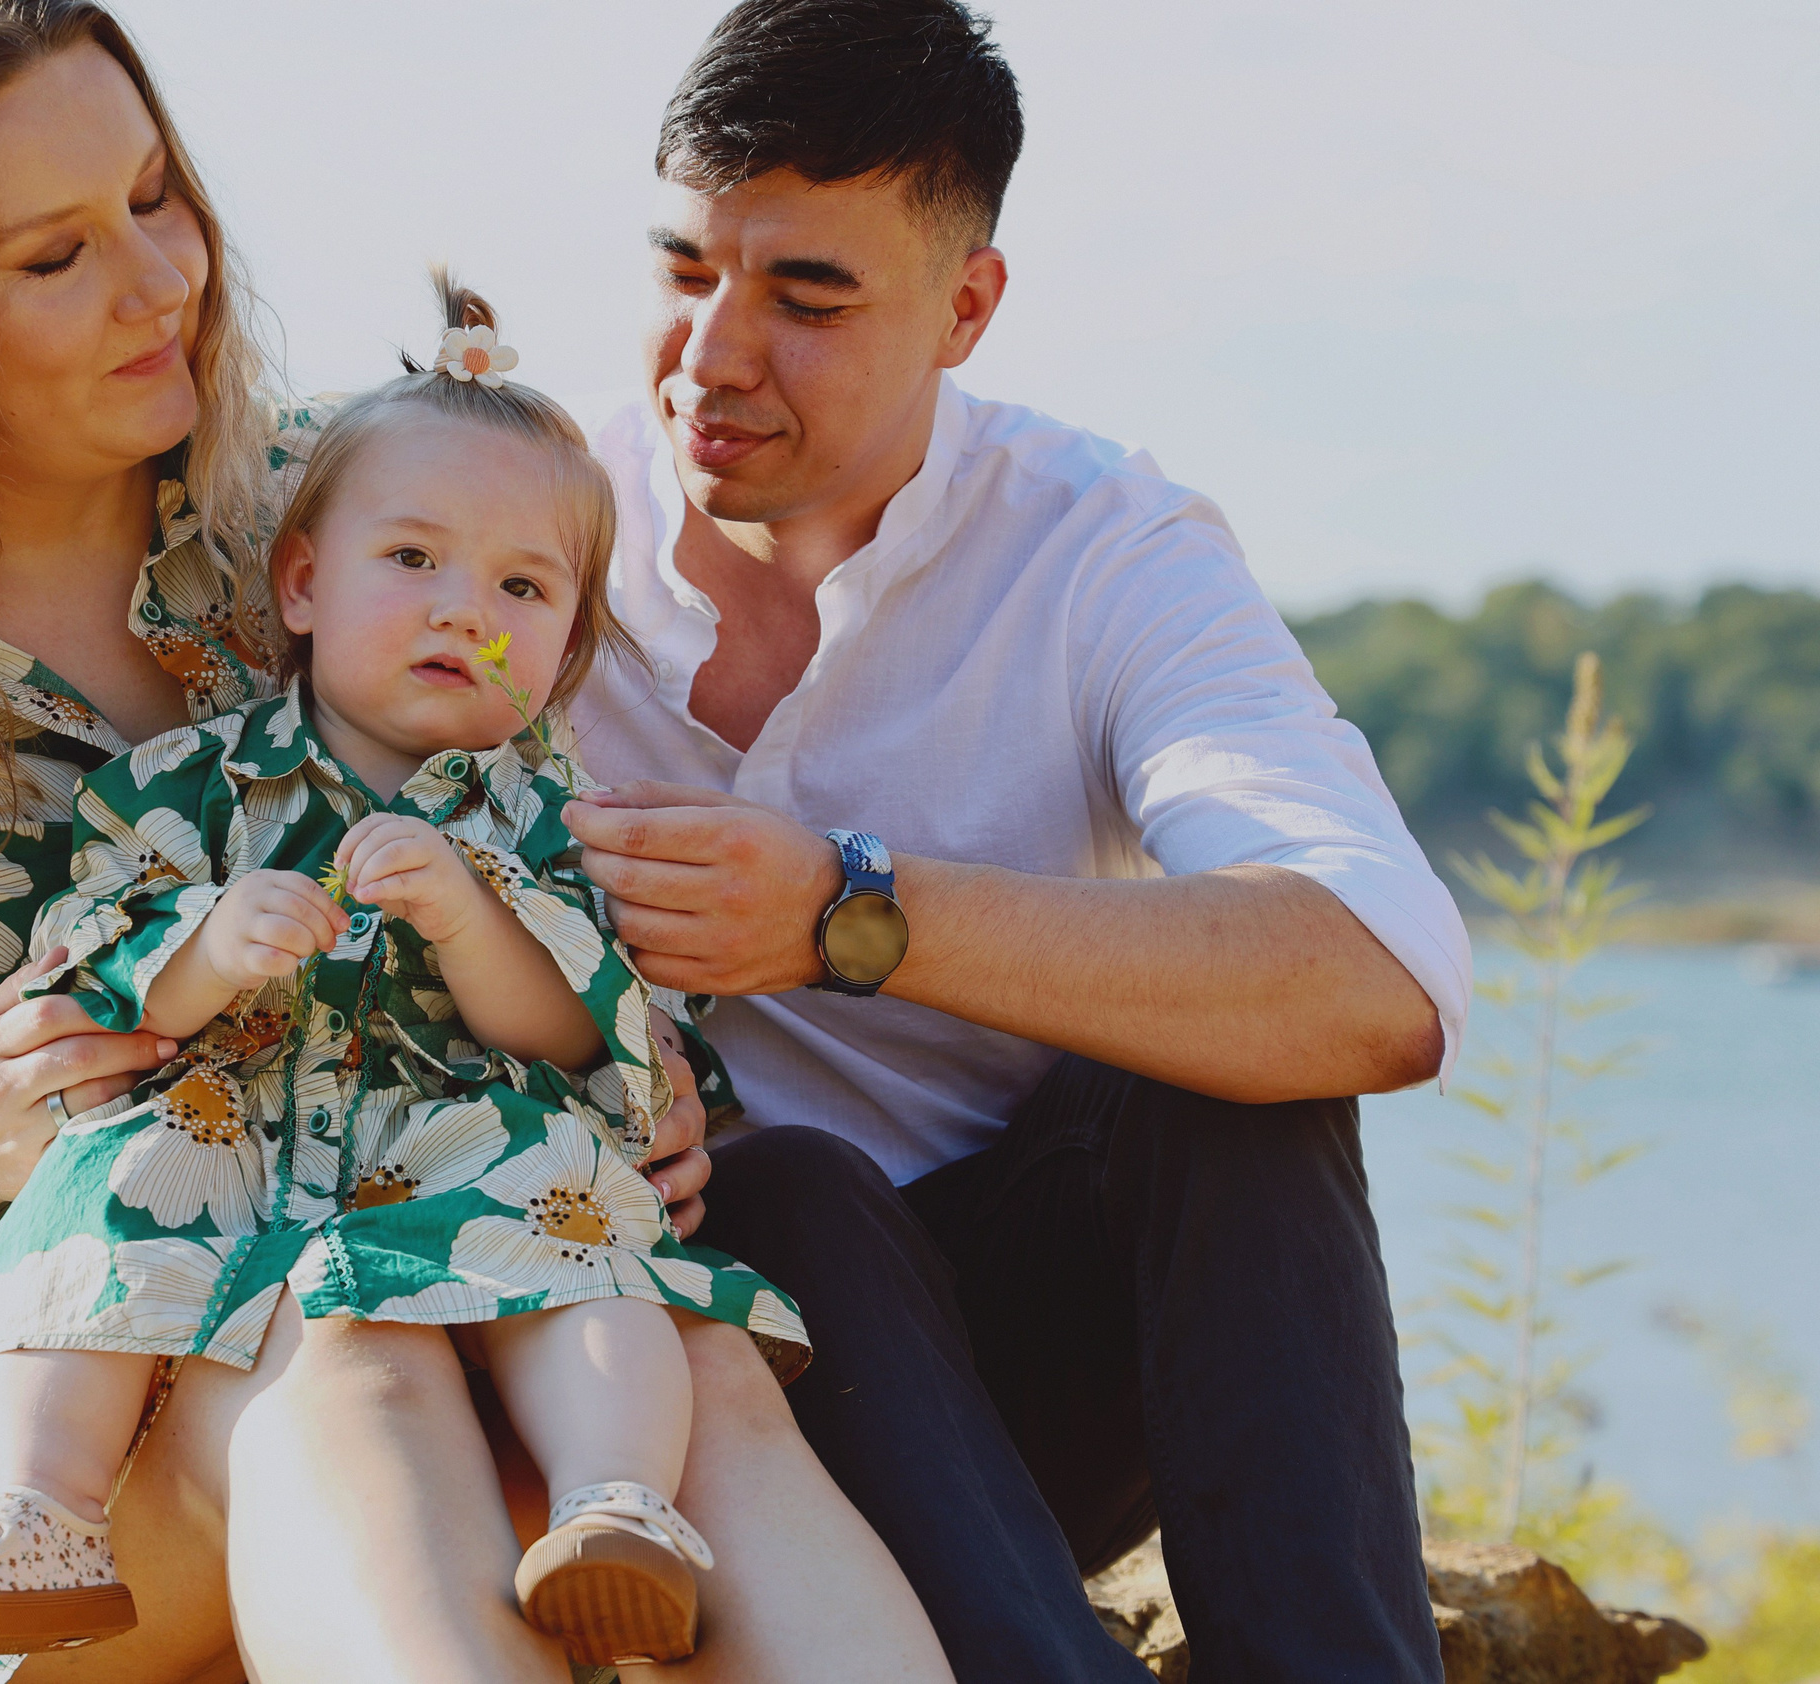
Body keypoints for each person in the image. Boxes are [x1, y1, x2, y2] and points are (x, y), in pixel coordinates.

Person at [0, 4, 947, 1681]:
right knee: (337, 1353)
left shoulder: (349, 509)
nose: (160, 279)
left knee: (694, 1375)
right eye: (56, 255)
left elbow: (531, 837)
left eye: (159, 195)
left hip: (386, 1240)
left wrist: (650, 1084)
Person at [559, 2, 1473, 1680]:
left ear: (967, 307)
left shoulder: (1105, 545)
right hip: (681, 1393)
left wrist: (851, 910)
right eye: (687, 269)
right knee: (787, 1183)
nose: (713, 356)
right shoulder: (513, 530)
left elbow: (1383, 976)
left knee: (1225, 1082)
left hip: (1031, 1363)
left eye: (806, 297)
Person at [0, 280, 811, 1672]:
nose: (466, 610)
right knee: (94, 1195)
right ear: (302, 583)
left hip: (454, 1136)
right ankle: (36, 1512)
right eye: (413, 559)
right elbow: (89, 981)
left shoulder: (545, 820)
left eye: (523, 588)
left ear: (568, 647)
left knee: (589, 1241)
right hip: (224, 1122)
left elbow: (581, 1030)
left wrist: (476, 926)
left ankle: (616, 1502)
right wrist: (205, 953)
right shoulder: (186, 787)